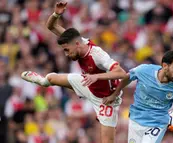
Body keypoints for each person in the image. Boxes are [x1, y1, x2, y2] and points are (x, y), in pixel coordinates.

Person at [21, 2, 126, 143]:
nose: (66, 54)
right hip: (87, 84)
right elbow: (51, 26)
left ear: (77, 44)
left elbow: (121, 73)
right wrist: (56, 14)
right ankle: (41, 81)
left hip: (107, 99)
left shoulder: (97, 55)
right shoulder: (75, 41)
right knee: (51, 78)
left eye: (67, 50)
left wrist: (96, 77)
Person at [103, 51, 173, 143]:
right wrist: (114, 94)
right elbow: (128, 77)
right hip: (135, 119)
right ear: (165, 66)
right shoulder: (144, 70)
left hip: (157, 124)